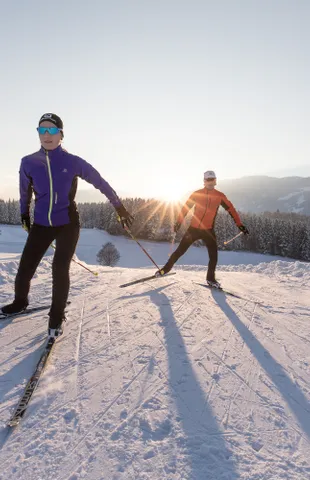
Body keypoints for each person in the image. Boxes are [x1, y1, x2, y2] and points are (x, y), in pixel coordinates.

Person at [1, 113, 133, 338]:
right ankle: (20, 302)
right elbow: (25, 192)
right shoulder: (28, 162)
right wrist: (24, 214)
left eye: (51, 130)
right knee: (24, 270)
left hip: (67, 223)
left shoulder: (73, 162)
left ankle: (56, 316)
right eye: (41, 130)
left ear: (61, 134)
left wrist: (119, 207)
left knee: (59, 268)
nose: (46, 135)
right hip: (41, 224)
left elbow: (99, 182)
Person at [156, 170, 249, 287]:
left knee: (213, 256)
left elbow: (231, 209)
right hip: (193, 229)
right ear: (204, 181)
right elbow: (185, 208)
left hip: (208, 231)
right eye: (208, 180)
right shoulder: (197, 194)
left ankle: (210, 279)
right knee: (180, 251)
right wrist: (178, 222)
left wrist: (239, 224)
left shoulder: (220, 196)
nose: (210, 182)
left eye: (212, 180)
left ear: (215, 181)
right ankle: (164, 270)